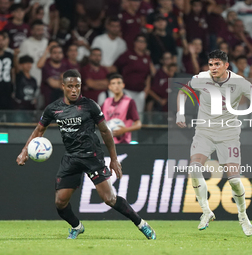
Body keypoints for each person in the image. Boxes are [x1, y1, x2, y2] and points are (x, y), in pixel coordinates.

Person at [16, 69, 156, 240]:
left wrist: (113, 159)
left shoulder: (90, 106)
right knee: (60, 202)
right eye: (70, 86)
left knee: (109, 199)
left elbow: (105, 132)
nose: (74, 90)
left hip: (92, 157)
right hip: (71, 158)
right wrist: (24, 151)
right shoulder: (53, 109)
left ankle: (142, 224)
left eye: (77, 86)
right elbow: (39, 130)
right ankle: (77, 226)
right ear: (63, 87)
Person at [176, 50, 252, 236]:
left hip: (228, 134)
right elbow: (182, 92)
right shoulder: (201, 78)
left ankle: (242, 215)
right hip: (204, 132)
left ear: (226, 65)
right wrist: (180, 112)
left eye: (217, 64)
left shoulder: (240, 82)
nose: (213, 68)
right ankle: (206, 211)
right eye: (211, 64)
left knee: (234, 179)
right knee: (194, 168)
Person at [114, 34, 153, 113]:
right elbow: (115, 67)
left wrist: (146, 89)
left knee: (138, 115)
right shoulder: (128, 54)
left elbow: (148, 75)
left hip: (140, 92)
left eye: (143, 42)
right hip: (127, 90)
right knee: (125, 113)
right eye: (139, 41)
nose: (141, 43)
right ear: (135, 43)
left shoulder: (147, 57)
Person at [102, 73, 142, 144]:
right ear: (110, 87)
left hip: (123, 143)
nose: (116, 85)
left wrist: (124, 130)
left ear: (123, 85)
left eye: (119, 83)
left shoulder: (129, 102)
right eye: (113, 83)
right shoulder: (106, 102)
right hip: (107, 143)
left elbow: (138, 124)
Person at [18, 20, 48, 85]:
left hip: (46, 80)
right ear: (32, 31)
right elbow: (20, 64)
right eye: (38, 30)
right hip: (31, 80)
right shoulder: (26, 44)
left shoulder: (46, 42)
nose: (40, 32)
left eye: (42, 29)